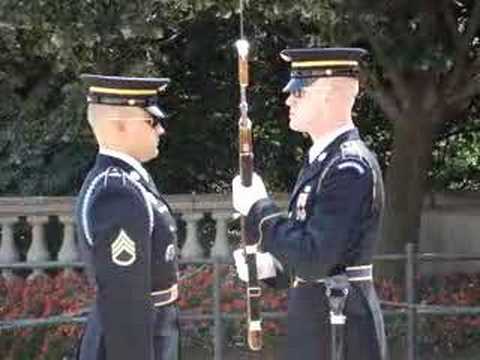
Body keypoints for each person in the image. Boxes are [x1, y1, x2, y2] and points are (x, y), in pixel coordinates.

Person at [232, 48, 387, 360]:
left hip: (342, 329)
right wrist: (272, 269)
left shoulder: (348, 167)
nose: (289, 100)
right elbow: (316, 255)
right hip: (320, 322)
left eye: (299, 93)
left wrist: (261, 209)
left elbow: (317, 258)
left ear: (329, 95)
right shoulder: (322, 162)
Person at [75, 74, 180, 360]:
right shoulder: (116, 191)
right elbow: (124, 301)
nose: (160, 130)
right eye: (152, 121)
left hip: (153, 329)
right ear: (119, 126)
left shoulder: (129, 182)